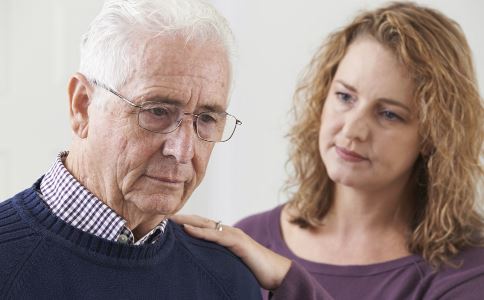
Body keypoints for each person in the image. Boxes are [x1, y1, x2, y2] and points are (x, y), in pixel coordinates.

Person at [172, 2, 484, 299]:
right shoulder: (250, 238)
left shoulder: (468, 270)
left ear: (434, 134)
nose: (352, 130)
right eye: (345, 97)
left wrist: (288, 281)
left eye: (389, 114)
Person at [0, 0, 262, 299]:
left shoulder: (229, 280)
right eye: (157, 111)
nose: (183, 151)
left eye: (206, 119)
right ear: (83, 106)